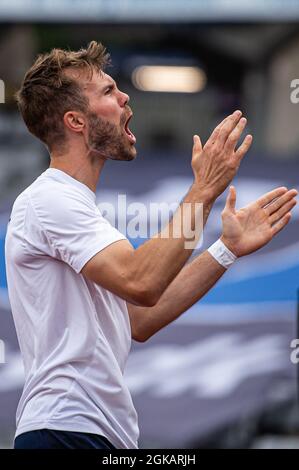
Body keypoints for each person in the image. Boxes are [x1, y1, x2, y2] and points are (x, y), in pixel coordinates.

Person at [5, 41, 297, 449]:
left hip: (94, 433)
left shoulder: (74, 208)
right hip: (65, 429)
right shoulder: (49, 200)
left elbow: (140, 318)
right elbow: (141, 281)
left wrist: (225, 249)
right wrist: (205, 188)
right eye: (107, 92)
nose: (125, 96)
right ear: (75, 121)